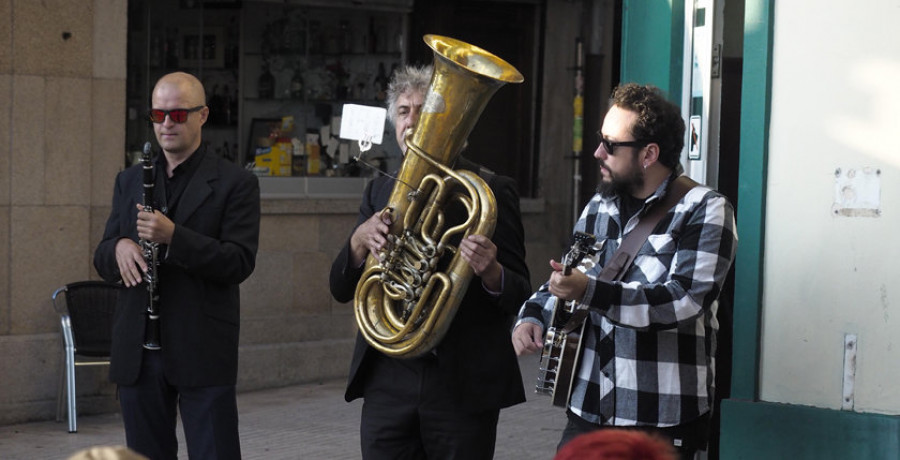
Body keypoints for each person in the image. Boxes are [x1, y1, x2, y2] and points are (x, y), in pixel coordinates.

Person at [512, 82, 737, 460]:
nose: (598, 152)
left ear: (649, 153)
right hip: (588, 407)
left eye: (611, 145)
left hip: (660, 417)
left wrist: (589, 291)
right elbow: (567, 275)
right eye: (601, 140)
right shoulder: (601, 204)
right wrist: (531, 314)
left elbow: (683, 302)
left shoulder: (706, 209)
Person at [329, 64, 532, 459]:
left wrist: (491, 271)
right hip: (388, 378)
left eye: (424, 109)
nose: (412, 120)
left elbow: (520, 291)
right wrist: (357, 242)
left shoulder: (492, 190)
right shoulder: (379, 190)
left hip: (461, 383)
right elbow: (340, 288)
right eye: (403, 111)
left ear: (450, 120)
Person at [93, 71, 260, 459]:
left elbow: (238, 261)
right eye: (158, 114)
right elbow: (102, 254)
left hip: (201, 345)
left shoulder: (236, 183)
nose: (167, 123)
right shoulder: (129, 179)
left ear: (203, 115)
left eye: (178, 115)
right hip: (139, 348)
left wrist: (174, 237)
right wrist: (118, 247)